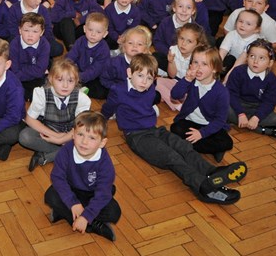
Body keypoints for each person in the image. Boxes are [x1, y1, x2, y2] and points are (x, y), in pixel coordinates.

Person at [101, 53, 248, 204]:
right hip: (137, 136)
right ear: (129, 73)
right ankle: (203, 187)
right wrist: (99, 123)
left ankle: (212, 171)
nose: (144, 82)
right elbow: (107, 109)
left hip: (155, 129)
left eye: (149, 78)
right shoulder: (118, 90)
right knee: (172, 157)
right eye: (140, 76)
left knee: (183, 147)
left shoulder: (150, 88)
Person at [45, 111, 122, 240]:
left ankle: (66, 214)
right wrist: (73, 203)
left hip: (92, 192)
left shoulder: (104, 163)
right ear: (73, 134)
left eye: (92, 138)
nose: (84, 142)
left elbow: (102, 193)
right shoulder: (65, 152)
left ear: (102, 143)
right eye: (80, 134)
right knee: (50, 196)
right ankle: (93, 226)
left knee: (114, 212)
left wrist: (86, 215)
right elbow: (58, 178)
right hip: (71, 189)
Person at [20, 58, 91, 170]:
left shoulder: (82, 99)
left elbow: (81, 128)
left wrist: (63, 139)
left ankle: (45, 156)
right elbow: (30, 119)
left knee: (88, 143)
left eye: (70, 81)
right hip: (47, 130)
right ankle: (64, 153)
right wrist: (56, 136)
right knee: (25, 136)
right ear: (51, 79)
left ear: (76, 81)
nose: (65, 85)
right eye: (60, 80)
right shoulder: (42, 93)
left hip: (71, 134)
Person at [169, 46, 234, 161]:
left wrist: (202, 133)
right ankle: (206, 148)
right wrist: (186, 80)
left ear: (214, 69)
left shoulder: (221, 92)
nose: (198, 67)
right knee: (175, 128)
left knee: (227, 142)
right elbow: (175, 95)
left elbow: (220, 120)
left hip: (209, 125)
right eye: (195, 62)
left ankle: (190, 146)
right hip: (189, 122)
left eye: (204, 64)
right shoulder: (190, 81)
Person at [226, 39, 276, 138]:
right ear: (247, 58)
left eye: (262, 58)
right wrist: (240, 113)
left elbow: (270, 102)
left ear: (270, 63)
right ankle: (261, 129)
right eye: (252, 56)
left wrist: (257, 117)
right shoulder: (238, 72)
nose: (255, 61)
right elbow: (231, 94)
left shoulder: (271, 79)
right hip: (237, 104)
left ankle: (242, 123)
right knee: (223, 108)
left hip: (257, 107)